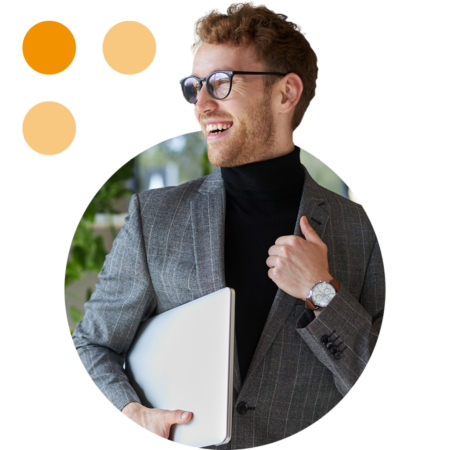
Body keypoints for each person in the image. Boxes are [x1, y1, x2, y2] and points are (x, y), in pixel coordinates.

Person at [71, 2, 386, 448]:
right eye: (194, 87)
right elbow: (93, 346)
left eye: (220, 84)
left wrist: (323, 292)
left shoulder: (364, 232)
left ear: (286, 93)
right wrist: (131, 411)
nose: (200, 105)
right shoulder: (154, 218)